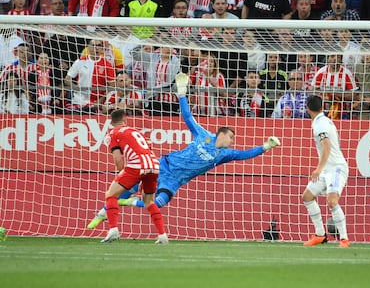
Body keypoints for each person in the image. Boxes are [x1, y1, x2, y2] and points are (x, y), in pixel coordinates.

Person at [87, 73, 281, 228]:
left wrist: (265, 146)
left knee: (159, 202)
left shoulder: (225, 154)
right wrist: (182, 93)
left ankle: (125, 203)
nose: (232, 141)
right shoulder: (203, 135)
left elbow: (246, 154)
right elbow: (187, 116)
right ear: (221, 134)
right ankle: (101, 215)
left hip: (175, 180)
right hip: (163, 165)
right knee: (125, 189)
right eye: (231, 136)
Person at [100, 108, 168, 244]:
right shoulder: (136, 132)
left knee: (111, 195)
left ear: (111, 123)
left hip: (136, 165)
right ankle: (162, 235)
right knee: (149, 201)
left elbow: (118, 159)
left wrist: (121, 174)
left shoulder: (112, 134)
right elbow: (149, 150)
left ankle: (113, 230)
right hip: (154, 164)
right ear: (125, 120)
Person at [302, 95, 350, 248]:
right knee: (308, 196)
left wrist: (318, 169)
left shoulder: (320, 125)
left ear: (307, 108)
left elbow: (327, 146)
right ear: (322, 107)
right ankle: (320, 235)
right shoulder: (322, 121)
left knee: (332, 201)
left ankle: (344, 239)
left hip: (336, 168)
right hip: (327, 168)